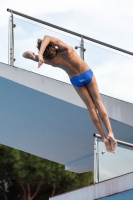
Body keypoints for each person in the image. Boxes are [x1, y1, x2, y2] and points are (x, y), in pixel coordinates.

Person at [23, 35, 117, 153]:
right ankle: (110, 132)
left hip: (76, 80)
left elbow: (26, 56)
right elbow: (48, 37)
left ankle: (104, 138)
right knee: (98, 102)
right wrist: (41, 53)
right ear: (52, 46)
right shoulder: (67, 50)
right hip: (86, 73)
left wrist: (32, 54)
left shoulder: (50, 60)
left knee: (91, 107)